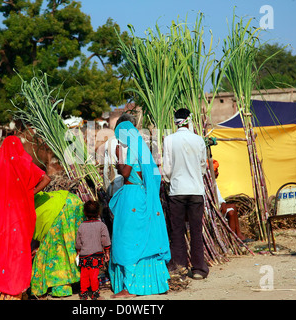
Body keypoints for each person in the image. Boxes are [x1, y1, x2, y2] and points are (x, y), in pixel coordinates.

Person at [0, 136, 51, 300]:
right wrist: (29, 192)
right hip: (19, 212)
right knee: (15, 248)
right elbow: (46, 178)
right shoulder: (26, 162)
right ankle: (12, 289)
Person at [108, 118, 171, 298]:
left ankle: (130, 288)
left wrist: (118, 155)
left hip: (133, 197)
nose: (119, 140)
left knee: (127, 239)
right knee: (141, 238)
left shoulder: (132, 151)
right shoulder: (142, 150)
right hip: (139, 196)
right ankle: (150, 284)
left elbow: (126, 173)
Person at [162, 108, 209, 280]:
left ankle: (181, 269)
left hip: (177, 192)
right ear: (189, 120)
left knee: (177, 231)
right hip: (196, 191)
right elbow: (203, 166)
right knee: (196, 230)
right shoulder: (198, 140)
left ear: (175, 121)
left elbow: (166, 168)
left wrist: (169, 180)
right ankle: (198, 270)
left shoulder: (169, 140)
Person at [30, 190, 85, 297]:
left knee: (55, 250)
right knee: (70, 244)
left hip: (59, 209)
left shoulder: (32, 206)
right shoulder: (41, 198)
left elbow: (33, 238)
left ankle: (58, 287)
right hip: (73, 201)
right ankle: (77, 278)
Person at [75, 200, 111, 300]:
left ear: (85, 213)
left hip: (84, 255)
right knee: (94, 275)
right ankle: (95, 293)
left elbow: (78, 241)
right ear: (98, 213)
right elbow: (105, 239)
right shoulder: (101, 225)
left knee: (84, 275)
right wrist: (107, 251)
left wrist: (78, 251)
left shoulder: (81, 226)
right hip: (96, 255)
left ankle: (83, 293)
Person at [213, 160, 247, 241]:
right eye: (216, 171)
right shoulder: (206, 183)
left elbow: (219, 197)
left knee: (233, 207)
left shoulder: (213, 182)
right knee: (231, 211)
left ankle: (238, 234)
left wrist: (223, 203)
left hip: (217, 206)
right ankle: (234, 239)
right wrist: (222, 204)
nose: (218, 173)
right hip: (212, 209)